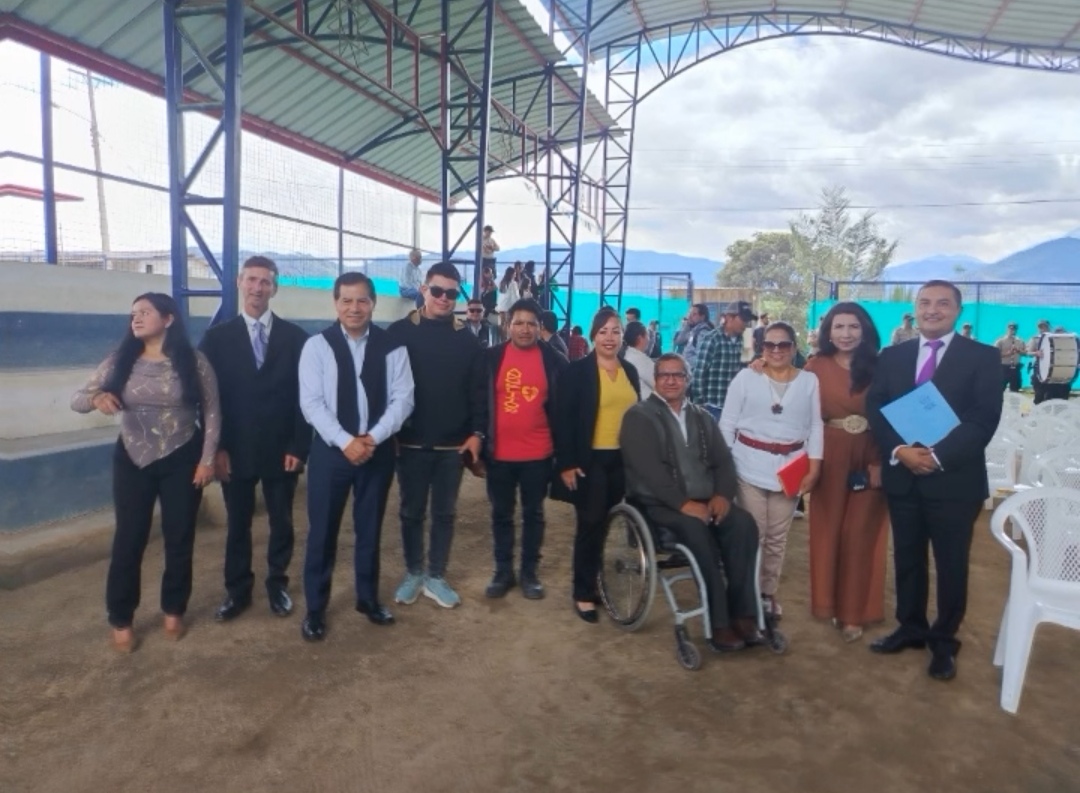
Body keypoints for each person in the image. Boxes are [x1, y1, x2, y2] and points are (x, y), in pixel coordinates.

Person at [866, 280, 1002, 681]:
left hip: (955, 482)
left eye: (943, 303)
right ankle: (910, 627)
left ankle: (944, 640)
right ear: (915, 308)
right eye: (925, 302)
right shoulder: (893, 356)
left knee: (951, 563)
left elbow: (984, 418)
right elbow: (877, 406)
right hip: (903, 477)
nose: (932, 310)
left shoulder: (983, 357)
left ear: (958, 311)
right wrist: (900, 451)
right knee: (907, 557)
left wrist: (938, 456)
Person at [72, 292, 221, 653]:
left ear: (168, 319)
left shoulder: (194, 362)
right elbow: (78, 399)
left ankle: (174, 608)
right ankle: (121, 617)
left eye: (145, 312)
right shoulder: (120, 360)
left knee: (179, 536)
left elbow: (213, 412)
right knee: (129, 538)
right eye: (133, 313)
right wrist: (96, 398)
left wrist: (207, 460)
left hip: (182, 457)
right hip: (132, 459)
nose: (136, 318)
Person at [620, 354, 764, 652]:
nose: (671, 381)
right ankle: (719, 623)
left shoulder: (702, 416)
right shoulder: (639, 417)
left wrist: (722, 495)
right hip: (659, 506)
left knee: (743, 524)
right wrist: (682, 504)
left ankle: (744, 613)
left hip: (706, 499)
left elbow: (723, 461)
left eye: (678, 375)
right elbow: (649, 471)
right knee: (696, 530)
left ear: (688, 380)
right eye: (664, 375)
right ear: (655, 380)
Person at [297, 272, 413, 641]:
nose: (354, 308)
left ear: (373, 303)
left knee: (370, 528)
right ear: (336, 304)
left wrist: (372, 438)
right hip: (331, 453)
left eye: (362, 300)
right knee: (322, 532)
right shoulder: (317, 347)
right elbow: (311, 403)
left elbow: (403, 399)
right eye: (346, 300)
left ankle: (367, 598)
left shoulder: (392, 347)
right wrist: (346, 441)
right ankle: (316, 609)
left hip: (376, 451)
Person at [199, 256, 311, 623]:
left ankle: (277, 584)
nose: (257, 288)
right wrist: (217, 449)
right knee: (238, 524)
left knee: (282, 522)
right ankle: (237, 590)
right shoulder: (216, 339)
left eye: (265, 281)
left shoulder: (296, 339)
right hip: (235, 451)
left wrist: (299, 446)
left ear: (274, 288)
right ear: (239, 282)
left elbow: (306, 398)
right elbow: (208, 401)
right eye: (251, 280)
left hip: (282, 451)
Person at [388, 261, 485, 610]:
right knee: (411, 511)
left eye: (452, 293)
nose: (444, 298)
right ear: (424, 290)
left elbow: (478, 393)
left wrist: (477, 433)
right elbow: (382, 387)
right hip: (409, 443)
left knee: (444, 513)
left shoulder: (467, 341)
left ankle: (436, 576)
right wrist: (387, 432)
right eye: (438, 291)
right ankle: (414, 572)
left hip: (452, 446)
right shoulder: (398, 333)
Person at [720, 321, 823, 621]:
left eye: (783, 344)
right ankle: (745, 592)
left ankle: (766, 592)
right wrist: (725, 464)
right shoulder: (746, 377)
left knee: (778, 536)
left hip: (791, 469)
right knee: (755, 533)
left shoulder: (809, 382)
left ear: (794, 347)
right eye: (770, 345)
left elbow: (816, 426)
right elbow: (727, 422)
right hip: (747, 465)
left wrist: (814, 467)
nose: (776, 350)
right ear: (761, 347)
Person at [803, 303, 889, 643]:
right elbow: (789, 397)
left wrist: (884, 461)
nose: (846, 333)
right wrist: (761, 366)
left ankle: (854, 613)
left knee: (860, 533)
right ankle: (828, 604)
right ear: (828, 331)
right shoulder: (815, 366)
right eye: (839, 326)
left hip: (873, 454)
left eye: (853, 326)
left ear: (865, 330)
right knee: (828, 530)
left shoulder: (882, 366)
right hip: (828, 455)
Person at [555, 309, 641, 623]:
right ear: (593, 335)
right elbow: (562, 420)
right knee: (590, 523)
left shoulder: (630, 371)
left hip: (621, 460)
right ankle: (582, 592)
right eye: (603, 331)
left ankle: (596, 583)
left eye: (616, 331)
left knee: (606, 524)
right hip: (589, 460)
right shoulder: (577, 371)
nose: (609, 337)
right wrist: (566, 463)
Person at [479, 299, 567, 600]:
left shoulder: (555, 361)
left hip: (538, 455)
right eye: (519, 323)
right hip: (499, 455)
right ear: (508, 325)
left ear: (540, 328)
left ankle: (529, 573)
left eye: (531, 324)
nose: (525, 329)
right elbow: (479, 402)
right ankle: (503, 572)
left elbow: (564, 410)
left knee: (533, 514)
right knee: (501, 515)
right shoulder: (491, 358)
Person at [692, 301, 755, 420]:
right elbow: (699, 374)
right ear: (729, 318)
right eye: (743, 320)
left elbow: (747, 371)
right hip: (713, 407)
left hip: (736, 407)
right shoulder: (712, 339)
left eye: (748, 320)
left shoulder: (745, 340)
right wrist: (700, 404)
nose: (746, 324)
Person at [622, 321, 656, 400]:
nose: (648, 339)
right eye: (647, 335)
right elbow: (659, 384)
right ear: (640, 338)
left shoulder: (628, 355)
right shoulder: (640, 360)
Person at [673, 303, 713, 370]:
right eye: (689, 314)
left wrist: (685, 363)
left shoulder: (703, 333)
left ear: (702, 317)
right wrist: (687, 325)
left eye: (694, 314)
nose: (689, 317)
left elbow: (702, 358)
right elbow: (679, 341)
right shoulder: (694, 331)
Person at [994, 322, 1027, 393]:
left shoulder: (1020, 341)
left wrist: (1019, 351)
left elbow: (1025, 353)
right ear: (1007, 329)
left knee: (1015, 390)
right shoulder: (1001, 341)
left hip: (1015, 368)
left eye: (1014, 329)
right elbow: (995, 354)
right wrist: (1008, 353)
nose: (1012, 331)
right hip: (1004, 368)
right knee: (999, 389)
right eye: (1010, 329)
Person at [1028, 319, 1052, 403]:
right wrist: (1036, 353)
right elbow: (1028, 352)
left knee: (1050, 395)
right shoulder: (1035, 339)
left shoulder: (1053, 338)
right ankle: (1037, 409)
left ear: (1048, 327)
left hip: (1051, 370)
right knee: (1039, 394)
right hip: (1038, 369)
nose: (1042, 329)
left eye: (1044, 327)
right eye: (1040, 327)